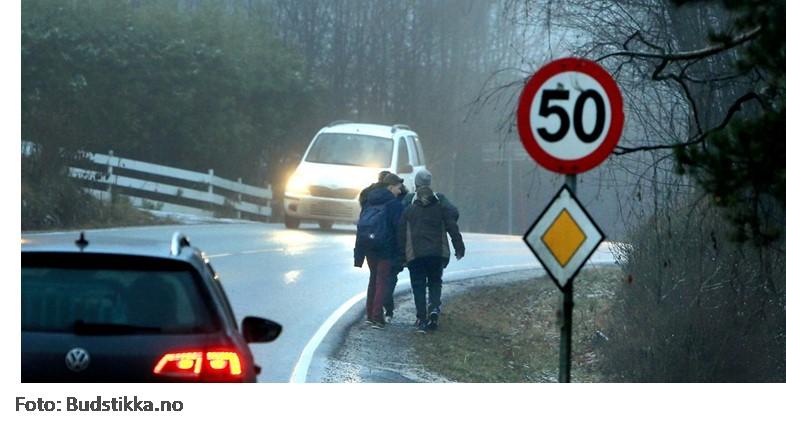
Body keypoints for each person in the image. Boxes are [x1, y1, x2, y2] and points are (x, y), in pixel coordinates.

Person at [398, 169, 465, 333]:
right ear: (429, 183)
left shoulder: (408, 205)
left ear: (416, 184)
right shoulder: (440, 203)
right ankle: (434, 309)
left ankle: (421, 319)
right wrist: (458, 246)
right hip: (437, 252)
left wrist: (401, 255)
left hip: (415, 253)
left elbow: (400, 231)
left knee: (418, 285)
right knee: (435, 282)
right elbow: (453, 221)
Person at [354, 173, 405, 328]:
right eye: (398, 187)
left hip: (369, 245)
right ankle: (377, 317)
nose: (400, 190)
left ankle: (370, 315)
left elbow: (360, 225)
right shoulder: (394, 204)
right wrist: (402, 252)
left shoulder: (368, 201)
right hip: (386, 247)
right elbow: (399, 229)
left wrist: (359, 254)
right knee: (382, 280)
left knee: (373, 279)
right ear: (390, 187)